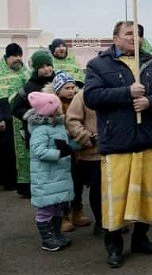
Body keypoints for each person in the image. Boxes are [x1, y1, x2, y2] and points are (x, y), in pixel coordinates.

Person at [84, 20, 152, 269]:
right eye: (128, 34)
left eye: (139, 34)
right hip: (117, 142)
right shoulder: (98, 65)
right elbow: (91, 97)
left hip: (147, 139)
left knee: (146, 195)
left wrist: (149, 101)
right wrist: (127, 92)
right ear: (115, 38)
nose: (135, 38)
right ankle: (113, 246)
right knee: (117, 199)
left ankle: (141, 238)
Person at [24, 91, 77, 251]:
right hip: (47, 177)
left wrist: (75, 146)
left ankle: (56, 234)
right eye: (57, 106)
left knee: (58, 206)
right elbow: (38, 151)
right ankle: (47, 239)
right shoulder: (41, 130)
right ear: (50, 110)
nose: (61, 108)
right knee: (46, 209)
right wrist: (59, 153)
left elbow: (64, 143)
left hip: (59, 174)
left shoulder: (57, 126)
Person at [45, 71, 91, 232]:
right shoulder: (51, 106)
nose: (71, 90)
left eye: (73, 87)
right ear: (58, 90)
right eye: (67, 87)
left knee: (77, 184)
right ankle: (63, 215)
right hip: (62, 152)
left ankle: (77, 211)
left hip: (78, 153)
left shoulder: (80, 102)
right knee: (63, 185)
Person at [11, 49, 56, 198]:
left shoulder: (59, 81)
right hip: (37, 135)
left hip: (58, 132)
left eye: (48, 65)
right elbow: (16, 107)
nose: (47, 69)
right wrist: (32, 116)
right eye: (42, 66)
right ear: (36, 68)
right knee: (43, 170)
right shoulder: (29, 86)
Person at [65, 89, 102, 235]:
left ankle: (114, 221)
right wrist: (86, 137)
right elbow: (72, 120)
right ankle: (101, 222)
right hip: (93, 153)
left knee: (113, 191)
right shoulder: (83, 95)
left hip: (116, 150)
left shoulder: (116, 91)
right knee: (98, 189)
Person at [0, 43, 30, 191]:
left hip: (21, 116)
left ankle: (22, 182)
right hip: (4, 117)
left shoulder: (25, 71)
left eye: (20, 56)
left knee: (23, 151)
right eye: (15, 56)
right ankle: (8, 181)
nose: (18, 59)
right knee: (7, 151)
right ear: (7, 57)